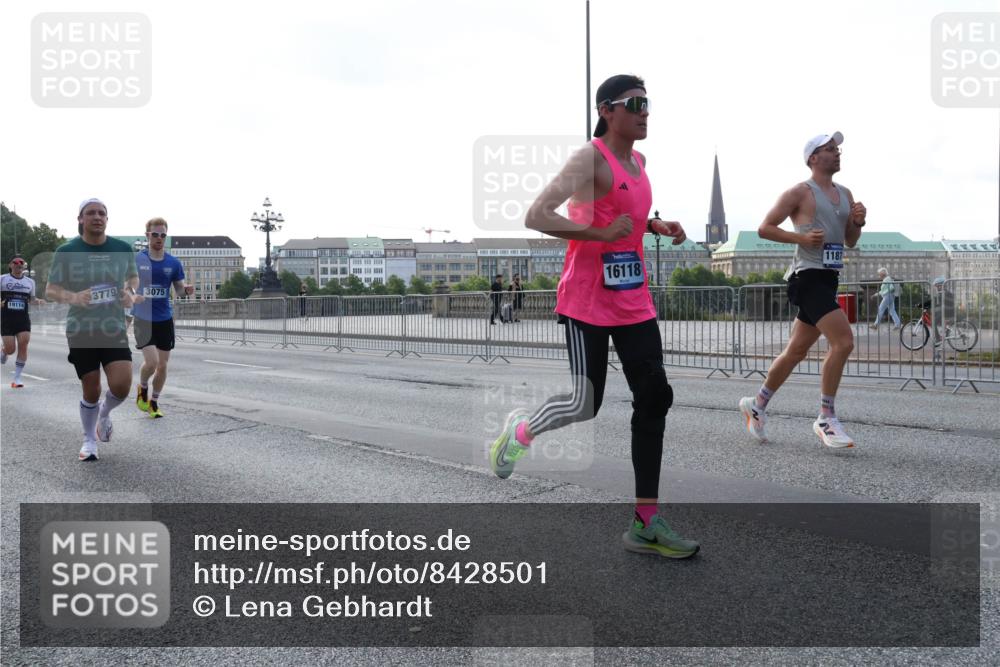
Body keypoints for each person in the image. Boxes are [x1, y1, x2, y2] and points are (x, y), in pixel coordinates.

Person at [489, 74, 698, 559]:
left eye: (649, 103)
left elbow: (622, 208)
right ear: (607, 110)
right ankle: (520, 431)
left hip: (633, 301)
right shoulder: (589, 157)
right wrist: (601, 237)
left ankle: (646, 521)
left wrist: (653, 224)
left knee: (655, 397)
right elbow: (537, 215)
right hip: (587, 300)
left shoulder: (639, 163)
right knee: (586, 402)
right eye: (636, 103)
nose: (646, 111)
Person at [739, 132, 866, 449]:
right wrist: (800, 239)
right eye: (829, 149)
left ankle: (757, 404)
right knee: (843, 341)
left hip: (828, 278)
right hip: (806, 276)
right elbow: (765, 227)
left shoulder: (846, 193)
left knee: (795, 351)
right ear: (813, 158)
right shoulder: (799, 192)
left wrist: (858, 222)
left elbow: (850, 241)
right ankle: (826, 417)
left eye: (838, 149)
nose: (837, 153)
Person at [46, 198, 138, 461]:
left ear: (107, 219)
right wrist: (75, 297)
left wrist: (129, 293)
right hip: (81, 328)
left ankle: (104, 413)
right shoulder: (66, 250)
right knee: (92, 388)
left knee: (121, 386)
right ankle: (89, 441)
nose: (97, 217)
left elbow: (133, 278)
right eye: (91, 213)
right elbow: (50, 290)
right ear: (80, 219)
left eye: (102, 213)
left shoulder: (122, 248)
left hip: (113, 327)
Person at [132, 218, 194, 418]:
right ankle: (142, 388)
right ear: (147, 235)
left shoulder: (173, 263)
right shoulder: (137, 260)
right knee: (151, 362)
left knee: (163, 365)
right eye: (155, 234)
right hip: (143, 317)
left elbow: (179, 290)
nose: (159, 238)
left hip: (164, 318)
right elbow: (126, 286)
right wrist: (132, 295)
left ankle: (154, 402)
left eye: (163, 235)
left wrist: (186, 290)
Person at [1, 255, 46, 387]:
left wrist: (38, 301)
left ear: (23, 266)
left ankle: (17, 378)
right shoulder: (2, 279)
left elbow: (31, 300)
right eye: (15, 262)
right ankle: (4, 351)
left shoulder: (29, 282)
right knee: (10, 350)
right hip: (6, 319)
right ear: (10, 265)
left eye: (21, 263)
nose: (18, 265)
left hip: (22, 319)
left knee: (23, 344)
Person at [921, 276, 956, 345]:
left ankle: (938, 338)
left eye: (937, 286)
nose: (936, 287)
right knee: (935, 316)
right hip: (947, 310)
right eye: (936, 286)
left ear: (941, 285)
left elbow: (934, 301)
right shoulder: (943, 292)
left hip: (947, 311)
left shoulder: (943, 292)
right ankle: (939, 335)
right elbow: (936, 302)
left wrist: (923, 305)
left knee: (933, 322)